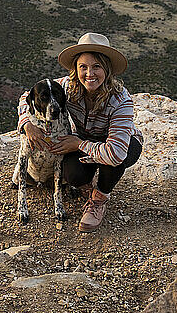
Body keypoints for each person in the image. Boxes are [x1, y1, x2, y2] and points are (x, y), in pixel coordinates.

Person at [17, 32, 143, 232]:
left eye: (96, 67)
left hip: (118, 145)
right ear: (75, 69)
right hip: (86, 141)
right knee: (72, 175)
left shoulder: (120, 100)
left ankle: (99, 199)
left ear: (107, 69)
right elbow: (28, 94)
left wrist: (78, 144)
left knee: (116, 159)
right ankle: (88, 183)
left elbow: (115, 152)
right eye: (83, 67)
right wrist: (26, 124)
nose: (89, 74)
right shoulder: (69, 87)